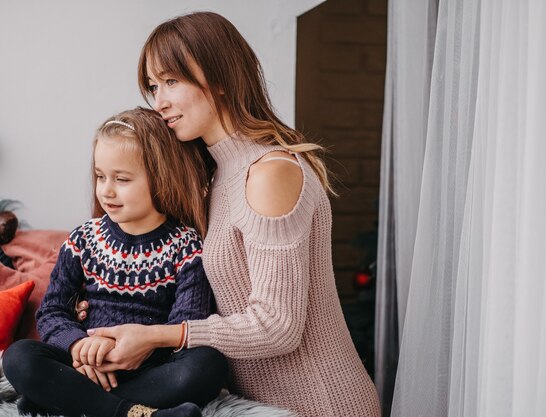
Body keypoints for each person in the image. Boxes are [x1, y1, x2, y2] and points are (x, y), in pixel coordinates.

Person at [78, 11, 382, 417]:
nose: (160, 101)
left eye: (171, 81)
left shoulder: (270, 172)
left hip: (318, 403)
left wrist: (159, 336)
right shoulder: (216, 176)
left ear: (219, 79)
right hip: (252, 407)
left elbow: (278, 325)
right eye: (153, 86)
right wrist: (104, 306)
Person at [2, 107, 228, 417]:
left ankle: (70, 400)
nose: (107, 190)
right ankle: (128, 413)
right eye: (100, 176)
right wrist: (79, 347)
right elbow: (53, 311)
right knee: (19, 356)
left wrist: (140, 348)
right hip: (86, 364)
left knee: (207, 365)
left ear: (161, 179)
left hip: (150, 367)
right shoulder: (83, 239)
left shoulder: (186, 246)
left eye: (121, 179)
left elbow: (187, 322)